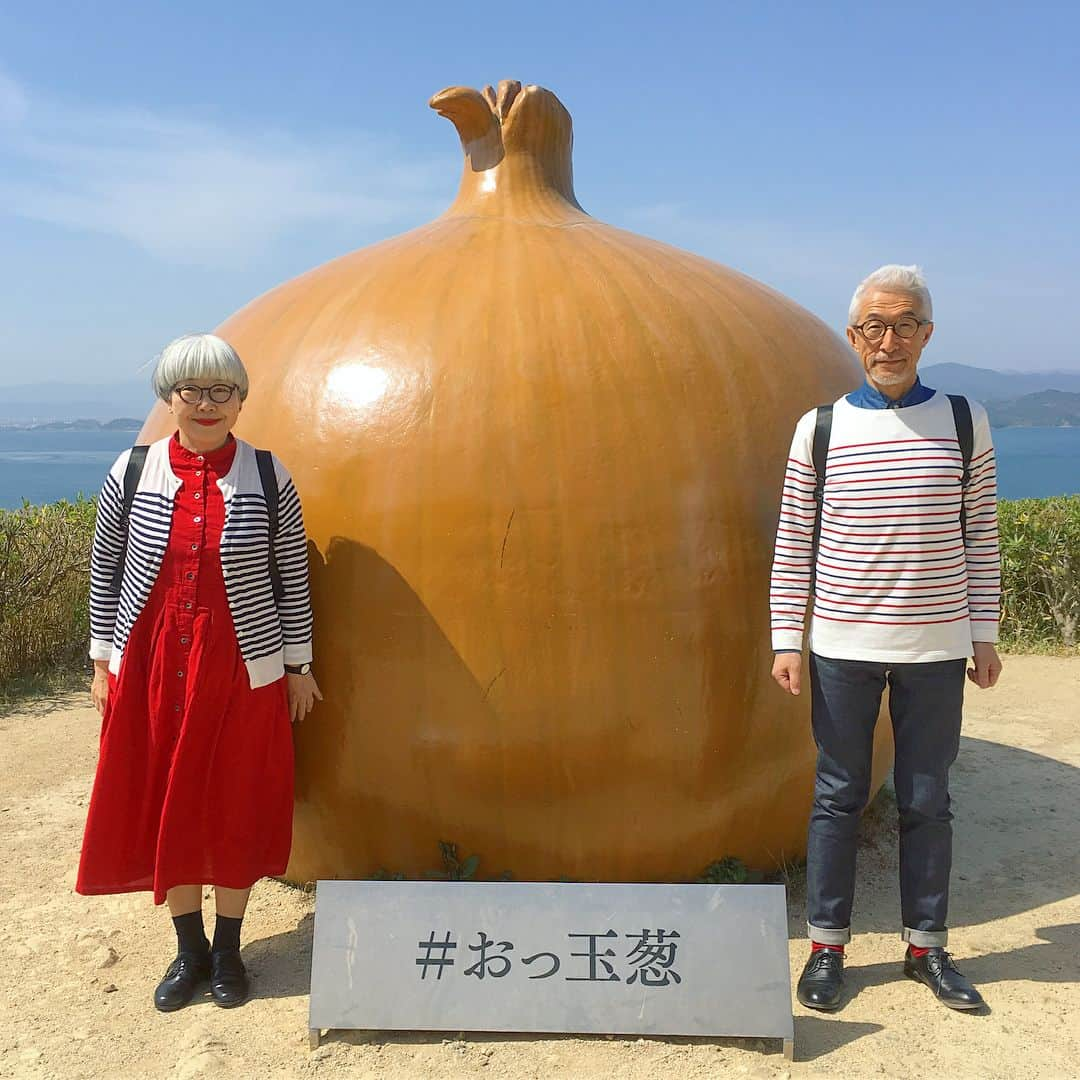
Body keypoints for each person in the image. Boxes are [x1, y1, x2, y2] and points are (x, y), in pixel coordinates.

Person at [769, 265, 1001, 1012]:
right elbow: (794, 538)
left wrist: (984, 633)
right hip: (841, 645)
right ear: (854, 338)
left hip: (936, 647)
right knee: (838, 797)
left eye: (904, 325)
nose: (889, 340)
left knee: (928, 800)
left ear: (927, 335)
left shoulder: (965, 420)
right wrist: (785, 638)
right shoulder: (822, 426)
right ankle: (827, 950)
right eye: (874, 327)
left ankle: (926, 949)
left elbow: (982, 534)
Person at [77, 333, 322, 1012]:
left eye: (222, 391)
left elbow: (291, 579)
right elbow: (106, 569)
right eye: (192, 390)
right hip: (154, 663)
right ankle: (188, 951)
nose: (206, 404)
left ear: (241, 400)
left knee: (235, 799)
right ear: (170, 397)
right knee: (168, 799)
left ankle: (229, 951)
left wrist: (299, 665)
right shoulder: (132, 471)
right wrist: (102, 661)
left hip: (245, 670)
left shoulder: (269, 476)